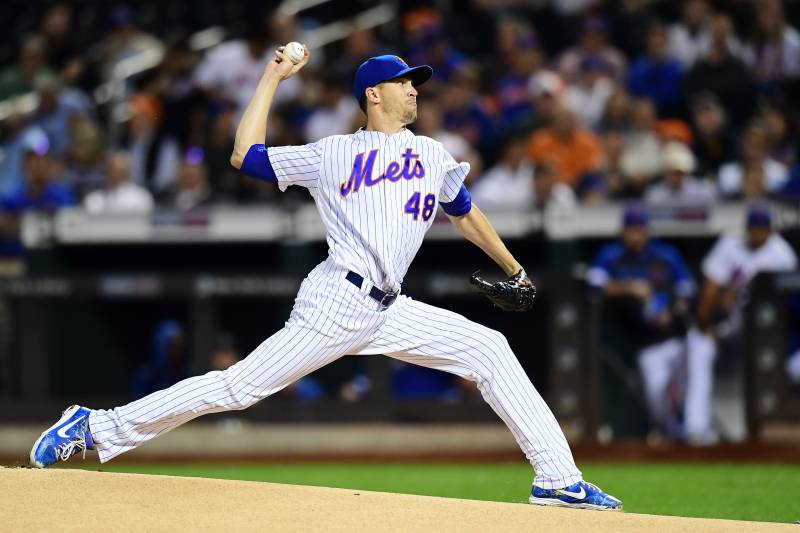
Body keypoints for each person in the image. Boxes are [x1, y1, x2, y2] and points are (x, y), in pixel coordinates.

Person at [30, 49, 622, 511]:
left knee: (490, 349)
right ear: (374, 94)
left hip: (390, 307)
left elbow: (465, 213)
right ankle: (96, 426)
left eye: (416, 81)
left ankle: (557, 479)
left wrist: (513, 268)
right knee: (237, 389)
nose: (415, 88)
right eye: (404, 81)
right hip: (337, 301)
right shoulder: (333, 152)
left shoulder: (434, 155)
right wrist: (273, 76)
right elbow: (245, 155)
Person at [684, 205, 797, 444]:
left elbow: (786, 305)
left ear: (770, 230)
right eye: (754, 228)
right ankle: (696, 428)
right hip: (731, 320)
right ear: (747, 229)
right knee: (698, 344)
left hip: (764, 329)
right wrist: (706, 325)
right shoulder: (729, 244)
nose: (758, 234)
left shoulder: (782, 255)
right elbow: (711, 289)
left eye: (762, 229)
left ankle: (760, 428)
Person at [587, 206, 695, 440]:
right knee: (657, 392)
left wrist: (671, 310)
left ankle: (691, 434)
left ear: (647, 231)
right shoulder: (612, 255)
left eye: (640, 230)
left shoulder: (665, 255)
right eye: (631, 230)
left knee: (688, 391)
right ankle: (669, 435)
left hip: (674, 337)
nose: (636, 236)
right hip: (640, 340)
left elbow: (687, 290)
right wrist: (629, 287)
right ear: (623, 232)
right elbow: (594, 286)